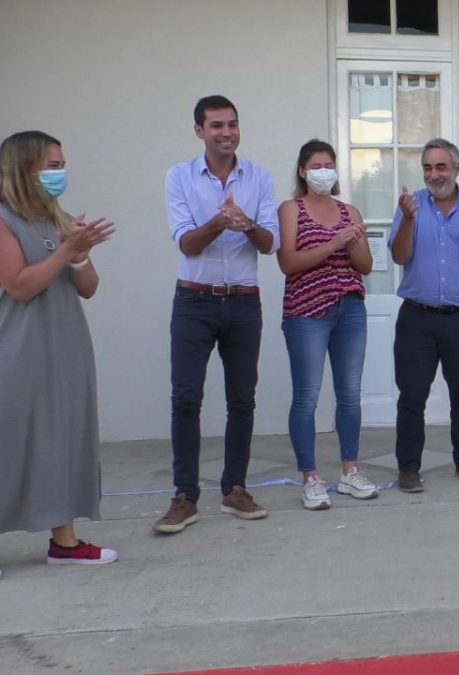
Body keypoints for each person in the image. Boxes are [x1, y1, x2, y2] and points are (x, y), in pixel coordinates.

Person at [154, 95, 281, 534]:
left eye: (232, 124)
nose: (226, 132)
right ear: (199, 131)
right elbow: (187, 243)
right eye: (216, 126)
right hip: (194, 300)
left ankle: (235, 490)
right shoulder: (179, 177)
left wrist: (245, 223)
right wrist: (218, 221)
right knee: (186, 398)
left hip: (244, 301)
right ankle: (185, 496)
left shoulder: (259, 177)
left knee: (242, 399)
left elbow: (269, 244)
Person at [0, 130, 118, 573]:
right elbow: (20, 285)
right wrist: (66, 249)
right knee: (10, 441)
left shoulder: (59, 217)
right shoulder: (3, 219)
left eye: (61, 164)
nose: (60, 173)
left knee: (65, 439)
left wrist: (79, 254)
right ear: (24, 167)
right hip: (18, 349)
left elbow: (88, 288)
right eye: (52, 165)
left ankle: (64, 542)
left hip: (66, 346)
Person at [389, 138, 459, 493]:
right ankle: (408, 467)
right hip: (417, 319)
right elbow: (399, 257)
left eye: (441, 167)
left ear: (456, 169)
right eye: (428, 168)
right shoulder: (411, 206)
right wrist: (406, 220)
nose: (434, 175)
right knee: (412, 395)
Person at [278, 139, 377, 510]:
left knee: (350, 393)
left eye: (329, 164)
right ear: (303, 171)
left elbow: (365, 266)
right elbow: (288, 262)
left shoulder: (349, 210)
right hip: (306, 311)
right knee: (307, 395)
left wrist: (352, 242)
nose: (324, 171)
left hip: (350, 307)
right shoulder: (292, 209)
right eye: (316, 165)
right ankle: (311, 478)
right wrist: (334, 243)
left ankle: (350, 470)